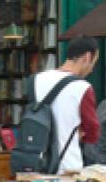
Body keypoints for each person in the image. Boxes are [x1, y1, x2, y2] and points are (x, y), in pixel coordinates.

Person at [31, 36, 101, 174]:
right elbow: (93, 133)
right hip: (66, 165)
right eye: (94, 62)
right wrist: (80, 132)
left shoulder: (37, 79)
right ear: (87, 57)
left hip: (36, 162)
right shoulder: (83, 87)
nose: (92, 69)